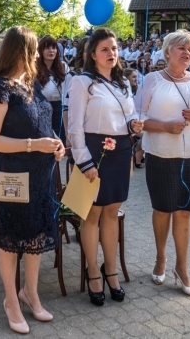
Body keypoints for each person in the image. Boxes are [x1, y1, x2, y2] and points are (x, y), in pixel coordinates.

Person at [0, 27, 65, 333]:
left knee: (36, 234)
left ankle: (30, 293)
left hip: (42, 174)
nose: (37, 55)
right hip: (13, 176)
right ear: (18, 51)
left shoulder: (31, 84)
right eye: (32, 49)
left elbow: (45, 121)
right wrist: (34, 145)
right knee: (12, 237)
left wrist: (56, 142)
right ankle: (10, 301)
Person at [68, 28, 143, 306]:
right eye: (105, 49)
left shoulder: (123, 82)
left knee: (111, 212)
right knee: (92, 215)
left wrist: (135, 125)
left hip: (121, 151)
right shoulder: (81, 82)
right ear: (92, 54)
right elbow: (74, 126)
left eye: (114, 48)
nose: (111, 53)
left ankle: (111, 271)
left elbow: (130, 114)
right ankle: (93, 272)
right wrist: (84, 161)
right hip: (93, 152)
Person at [139, 30, 190, 297]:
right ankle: (161, 258)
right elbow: (139, 119)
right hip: (161, 154)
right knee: (163, 210)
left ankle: (182, 267)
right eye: (181, 48)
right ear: (168, 51)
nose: (186, 53)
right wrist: (164, 127)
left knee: (184, 212)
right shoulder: (152, 80)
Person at [36, 35, 69, 145]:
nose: (51, 51)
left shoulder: (64, 66)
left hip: (60, 106)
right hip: (41, 106)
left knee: (59, 138)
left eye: (54, 48)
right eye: (47, 48)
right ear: (41, 50)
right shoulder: (34, 68)